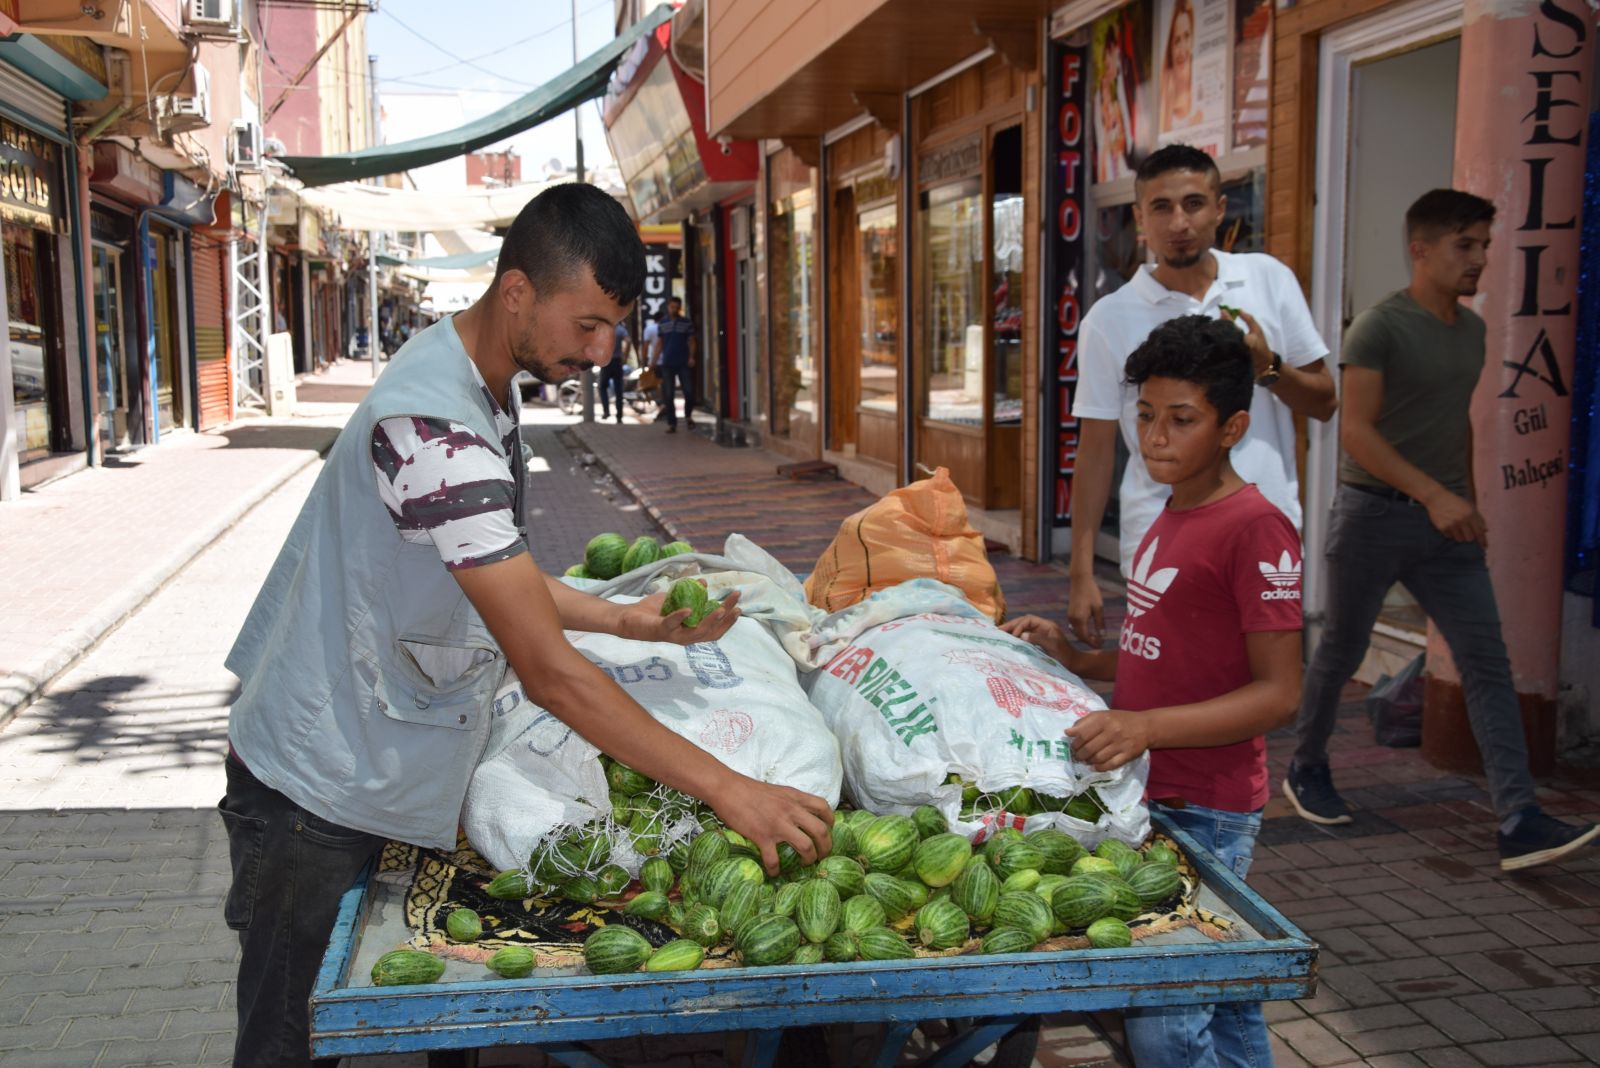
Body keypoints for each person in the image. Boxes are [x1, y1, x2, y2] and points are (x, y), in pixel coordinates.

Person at [218, 184, 833, 1068]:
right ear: (516, 293)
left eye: (614, 327)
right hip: (315, 786)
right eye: (585, 325)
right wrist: (731, 789)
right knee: (286, 1042)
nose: (602, 349)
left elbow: (495, 573)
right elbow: (546, 670)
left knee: (431, 1021)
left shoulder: (480, 383)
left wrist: (630, 622)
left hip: (382, 752)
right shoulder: (435, 428)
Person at [1003, 314, 1303, 1068]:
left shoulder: (1256, 529)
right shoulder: (1171, 513)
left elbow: (1280, 695)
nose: (1157, 437)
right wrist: (1070, 654)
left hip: (1210, 803)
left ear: (1232, 426)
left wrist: (1145, 727)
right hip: (1155, 786)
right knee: (1226, 1002)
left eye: (1182, 420)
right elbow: (1152, 653)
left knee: (1166, 1021)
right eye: (1144, 416)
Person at [1283, 189, 1597, 870]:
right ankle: (1306, 763)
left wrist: (1468, 502)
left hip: (1446, 528)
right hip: (1372, 516)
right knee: (1342, 648)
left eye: (1484, 245)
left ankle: (1519, 818)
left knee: (1487, 662)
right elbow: (1357, 435)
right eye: (1466, 245)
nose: (1480, 259)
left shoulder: (1473, 331)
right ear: (1419, 248)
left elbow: (1456, 422)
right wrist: (1434, 496)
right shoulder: (1378, 327)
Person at [1069, 143, 1338, 647]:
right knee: (1166, 685)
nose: (1179, 222)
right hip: (1160, 533)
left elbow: (1324, 402)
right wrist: (1081, 573)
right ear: (1140, 218)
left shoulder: (1267, 280)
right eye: (1161, 207)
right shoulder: (1109, 318)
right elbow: (1096, 450)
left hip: (1265, 529)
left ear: (1219, 208)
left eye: (1193, 203)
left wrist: (1269, 368)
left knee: (1264, 691)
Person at [650, 295, 697, 433]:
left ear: (680, 308)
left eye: (677, 307)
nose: (674, 309)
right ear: (668, 307)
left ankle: (688, 416)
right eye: (672, 307)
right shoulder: (662, 324)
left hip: (683, 362)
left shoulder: (686, 322)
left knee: (689, 391)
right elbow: (659, 343)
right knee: (668, 395)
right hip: (667, 364)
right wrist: (653, 361)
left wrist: (691, 357)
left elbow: (692, 341)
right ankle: (672, 424)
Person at [1158, 0, 1201, 134]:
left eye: (1187, 36)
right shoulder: (1163, 92)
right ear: (1170, 47)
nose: (1182, 50)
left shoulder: (1201, 92)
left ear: (1193, 38)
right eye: (1177, 41)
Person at [599, 319, 631, 423]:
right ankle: (619, 416)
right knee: (618, 390)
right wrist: (625, 357)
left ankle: (606, 411)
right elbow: (628, 341)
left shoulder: (605, 329)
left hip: (606, 362)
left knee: (602, 387)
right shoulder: (621, 329)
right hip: (617, 362)